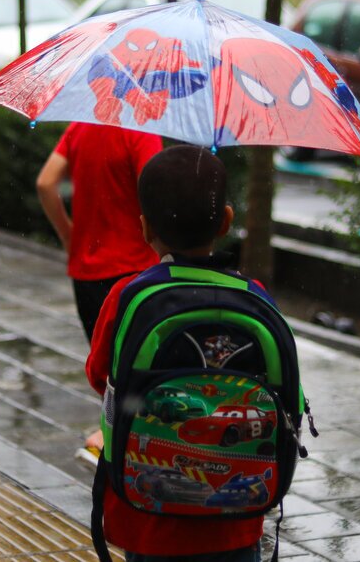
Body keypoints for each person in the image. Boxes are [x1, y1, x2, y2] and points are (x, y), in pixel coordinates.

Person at [85, 145, 263, 562]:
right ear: (226, 222)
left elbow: (100, 376)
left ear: (145, 228)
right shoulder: (256, 299)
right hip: (236, 516)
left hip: (151, 515)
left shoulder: (128, 298)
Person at [36, 123, 162, 341]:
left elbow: (45, 183)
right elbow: (154, 194)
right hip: (136, 271)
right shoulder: (142, 130)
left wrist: (68, 235)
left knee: (101, 365)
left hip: (86, 274)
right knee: (136, 363)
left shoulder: (80, 126)